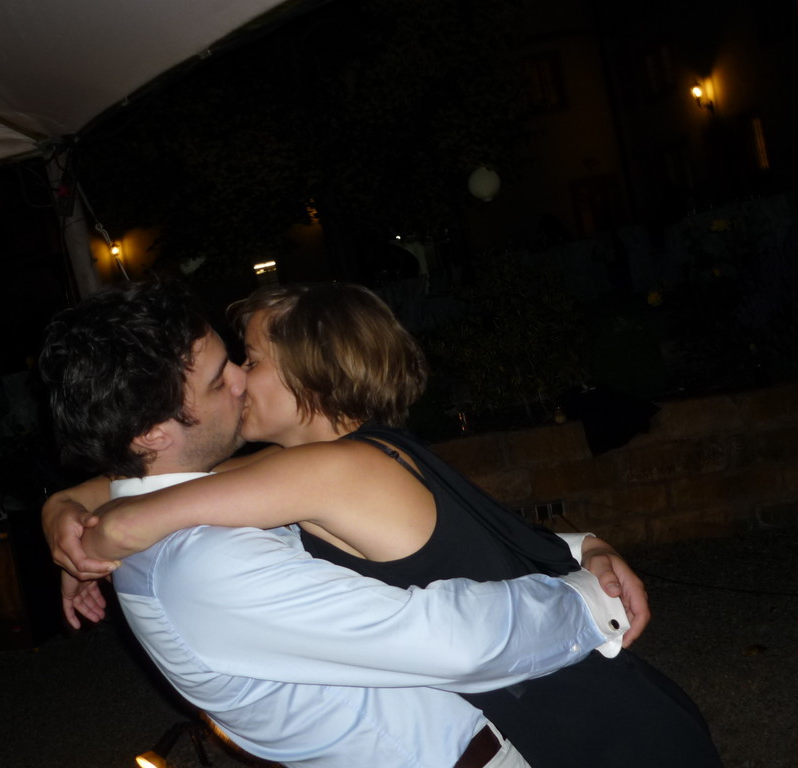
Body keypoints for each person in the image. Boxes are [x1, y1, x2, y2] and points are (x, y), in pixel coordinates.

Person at [57, 282, 722, 768]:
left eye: (247, 360)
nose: (236, 379)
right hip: (580, 719)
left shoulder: (328, 472)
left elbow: (163, 496)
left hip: (599, 724)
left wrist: (112, 525)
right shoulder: (337, 461)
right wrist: (73, 512)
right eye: (225, 372)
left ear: (312, 375)